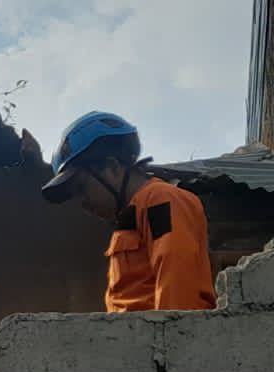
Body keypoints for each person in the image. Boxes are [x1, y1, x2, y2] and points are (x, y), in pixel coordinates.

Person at [41, 111, 216, 311]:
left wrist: (172, 331)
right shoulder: (131, 216)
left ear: (112, 167)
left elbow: (177, 285)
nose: (83, 203)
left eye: (82, 188)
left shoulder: (160, 201)